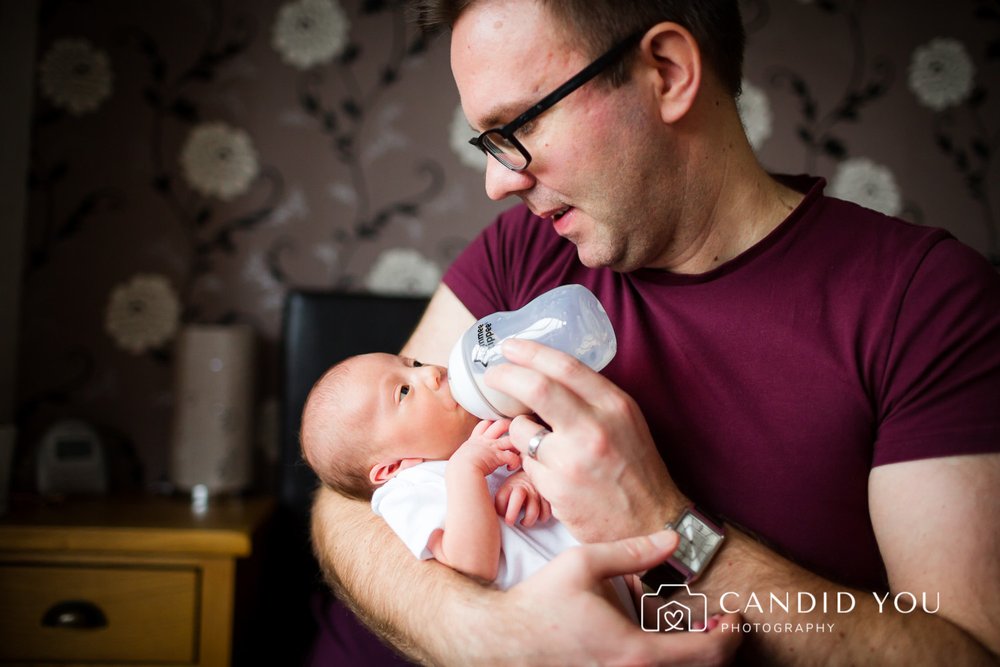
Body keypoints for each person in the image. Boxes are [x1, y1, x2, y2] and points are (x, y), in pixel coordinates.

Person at [310, 0, 1000, 664]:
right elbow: (347, 493)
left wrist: (667, 524)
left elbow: (961, 655)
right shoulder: (524, 249)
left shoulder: (924, 305)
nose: (497, 181)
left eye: (518, 122)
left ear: (666, 71)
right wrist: (483, 634)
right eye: (488, 139)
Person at [299, 351, 636, 616]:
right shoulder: (406, 490)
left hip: (617, 586)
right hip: (555, 624)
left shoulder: (486, 429)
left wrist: (529, 478)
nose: (430, 372)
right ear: (392, 467)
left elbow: (560, 466)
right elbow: (472, 567)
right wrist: (467, 468)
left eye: (412, 364)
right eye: (404, 391)